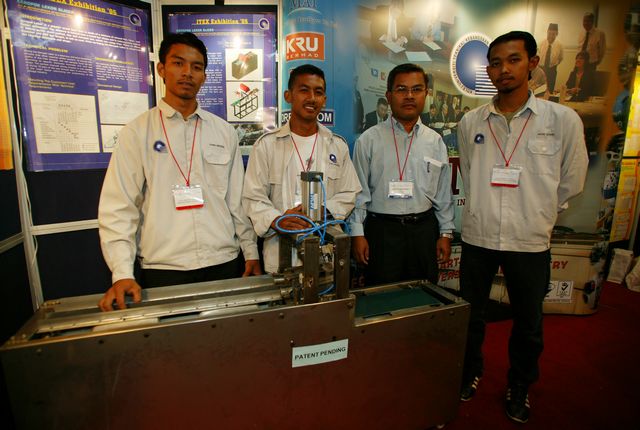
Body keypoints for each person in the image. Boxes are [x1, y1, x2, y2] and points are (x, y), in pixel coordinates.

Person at [457, 31, 588, 424]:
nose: (504, 70)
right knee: (471, 316)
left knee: (529, 323)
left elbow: (572, 179)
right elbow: (468, 173)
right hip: (479, 237)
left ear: (532, 63)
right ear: (488, 70)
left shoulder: (561, 120)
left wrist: (541, 210)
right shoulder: (471, 122)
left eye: (513, 60)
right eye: (495, 63)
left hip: (529, 240)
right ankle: (469, 371)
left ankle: (519, 384)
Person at [98, 32, 261, 311]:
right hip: (164, 268)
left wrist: (250, 251)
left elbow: (237, 201)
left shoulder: (223, 132)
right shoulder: (137, 132)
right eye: (178, 63)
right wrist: (122, 272)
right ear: (161, 69)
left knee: (228, 336)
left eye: (196, 67)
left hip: (223, 262)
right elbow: (119, 207)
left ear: (204, 76)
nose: (187, 73)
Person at [242, 65, 361, 274]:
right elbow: (253, 197)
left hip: (326, 256)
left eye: (318, 92)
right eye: (304, 90)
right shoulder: (266, 145)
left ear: (324, 99)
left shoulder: (337, 145)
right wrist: (277, 219)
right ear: (288, 95)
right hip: (280, 256)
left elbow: (350, 192)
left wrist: (324, 210)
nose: (312, 98)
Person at [349, 63, 455, 286]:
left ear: (426, 94)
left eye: (416, 89)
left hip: (424, 232)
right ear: (388, 96)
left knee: (424, 295)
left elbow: (443, 193)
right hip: (382, 233)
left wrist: (445, 234)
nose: (409, 96)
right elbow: (358, 192)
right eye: (401, 89)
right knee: (381, 296)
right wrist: (357, 233)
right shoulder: (368, 140)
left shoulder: (435, 141)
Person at [537, 23, 563, 93]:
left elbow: (560, 58)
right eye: (549, 33)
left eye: (553, 34)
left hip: (552, 70)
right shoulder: (541, 44)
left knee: (550, 90)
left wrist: (553, 66)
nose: (551, 36)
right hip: (541, 69)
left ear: (557, 34)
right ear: (547, 32)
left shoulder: (559, 45)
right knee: (539, 90)